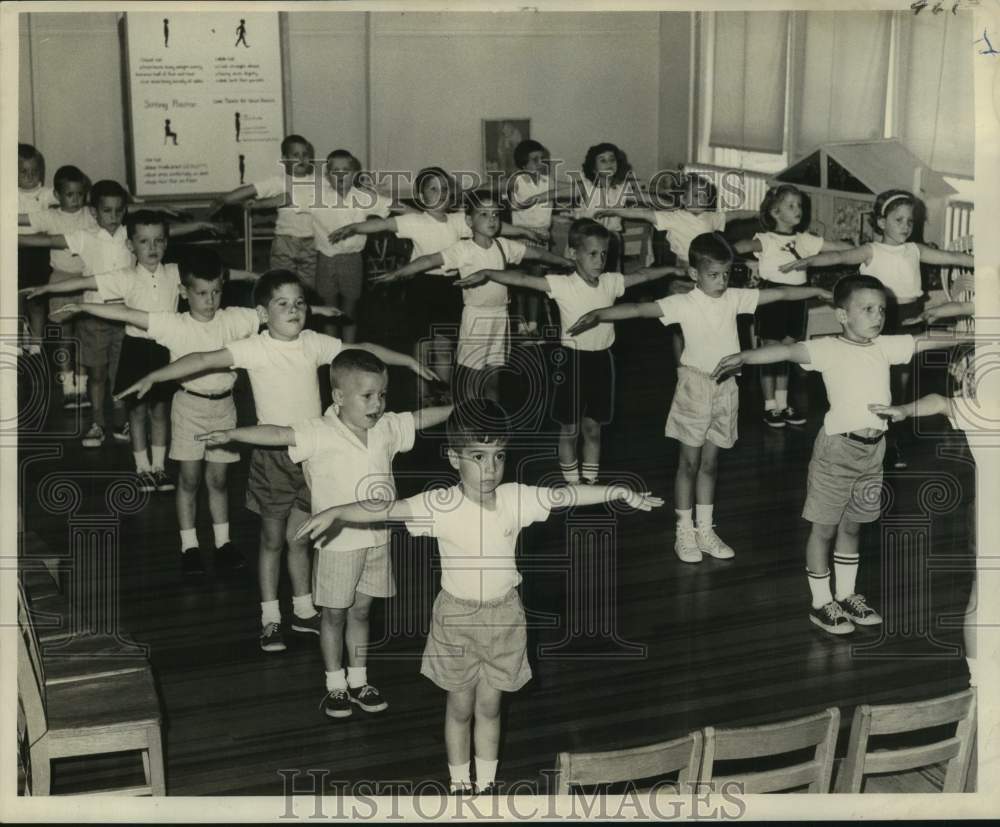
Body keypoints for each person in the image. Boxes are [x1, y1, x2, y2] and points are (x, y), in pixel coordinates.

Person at [295, 399, 663, 793]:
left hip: (504, 618)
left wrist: (619, 491)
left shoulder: (515, 498)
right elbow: (386, 507)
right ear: (454, 458)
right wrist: (336, 511)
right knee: (460, 708)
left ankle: (485, 786)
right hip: (455, 620)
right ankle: (458, 785)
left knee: (490, 708)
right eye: (478, 456)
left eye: (498, 456)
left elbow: (568, 496)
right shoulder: (441, 505)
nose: (490, 468)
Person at [115, 270, 438, 652]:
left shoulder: (313, 344)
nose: (295, 310)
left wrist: (406, 361)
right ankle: (270, 617)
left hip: (314, 457)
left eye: (300, 302)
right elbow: (203, 358)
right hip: (273, 457)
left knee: (300, 537)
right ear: (263, 313)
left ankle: (303, 611)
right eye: (283, 304)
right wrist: (156, 376)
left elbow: (361, 350)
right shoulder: (255, 347)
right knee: (272, 541)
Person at [197, 350, 453, 718]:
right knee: (333, 616)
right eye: (367, 396)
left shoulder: (385, 429)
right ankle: (335, 685)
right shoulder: (319, 432)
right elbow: (278, 432)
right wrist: (233, 433)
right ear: (338, 397)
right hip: (337, 545)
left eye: (381, 395)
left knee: (362, 612)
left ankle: (359, 679)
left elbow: (418, 418)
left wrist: (459, 409)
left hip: (378, 539)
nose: (377, 404)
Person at [712, 274, 972, 634]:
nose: (877, 316)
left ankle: (847, 594)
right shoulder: (828, 349)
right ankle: (821, 603)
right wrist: (743, 355)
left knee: (853, 525)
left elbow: (925, 340)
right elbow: (786, 351)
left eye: (880, 309)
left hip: (873, 452)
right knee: (824, 528)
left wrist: (974, 335)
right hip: (837, 451)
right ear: (841, 316)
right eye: (866, 309)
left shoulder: (884, 346)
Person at [568, 232, 831, 564]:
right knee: (689, 464)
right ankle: (684, 530)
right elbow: (638, 310)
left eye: (725, 274)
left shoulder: (734, 298)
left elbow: (778, 293)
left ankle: (705, 529)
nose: (721, 282)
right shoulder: (683, 303)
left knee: (710, 464)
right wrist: (598, 314)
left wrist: (817, 291)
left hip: (726, 388)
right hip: (694, 388)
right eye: (713, 275)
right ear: (694, 274)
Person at [55, 250, 266, 576]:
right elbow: (128, 313)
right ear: (183, 292)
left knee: (220, 480)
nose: (210, 301)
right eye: (201, 293)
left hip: (225, 407)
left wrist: (314, 310)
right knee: (190, 478)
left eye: (216, 292)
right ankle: (189, 546)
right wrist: (83, 306)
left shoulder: (234, 318)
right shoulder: (174, 324)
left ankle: (223, 544)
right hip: (188, 407)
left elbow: (273, 313)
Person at [455, 218, 684, 484]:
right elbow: (522, 278)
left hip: (602, 361)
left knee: (593, 428)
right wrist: (488, 273)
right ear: (574, 254)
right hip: (572, 363)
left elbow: (643, 275)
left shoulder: (611, 282)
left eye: (603, 254)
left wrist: (670, 269)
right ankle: (572, 483)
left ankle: (590, 480)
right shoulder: (563, 285)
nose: (599, 260)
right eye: (592, 254)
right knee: (570, 428)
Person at [23, 209, 221, 491]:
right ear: (130, 245)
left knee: (160, 411)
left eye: (158, 241)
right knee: (137, 412)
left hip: (166, 349)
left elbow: (214, 277)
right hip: (136, 349)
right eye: (144, 241)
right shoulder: (125, 276)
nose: (152, 248)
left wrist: (252, 276)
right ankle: (142, 469)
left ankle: (159, 468)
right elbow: (85, 282)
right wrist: (45, 288)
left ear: (166, 242)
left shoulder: (176, 272)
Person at [782, 189, 974, 468]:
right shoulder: (872, 249)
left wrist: (984, 262)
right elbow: (839, 257)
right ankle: (864, 434)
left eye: (910, 221)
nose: (906, 227)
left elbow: (950, 257)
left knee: (901, 382)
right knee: (874, 381)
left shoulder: (915, 249)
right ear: (881, 222)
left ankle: (891, 439)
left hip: (910, 315)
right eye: (899, 220)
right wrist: (809, 261)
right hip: (879, 318)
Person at [328, 167, 547, 398]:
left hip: (450, 287)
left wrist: (525, 231)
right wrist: (352, 228)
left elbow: (498, 227)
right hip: (421, 287)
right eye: (433, 189)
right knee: (422, 345)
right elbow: (382, 225)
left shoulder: (458, 220)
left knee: (445, 346)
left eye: (444, 188)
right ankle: (423, 394)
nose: (440, 193)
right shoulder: (414, 220)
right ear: (422, 197)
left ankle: (444, 395)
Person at [372, 191, 570, 402]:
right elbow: (429, 260)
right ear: (469, 221)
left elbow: (537, 254)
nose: (492, 219)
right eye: (483, 214)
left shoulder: (504, 245)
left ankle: (490, 422)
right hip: (475, 318)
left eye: (495, 214)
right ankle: (468, 422)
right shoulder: (463, 249)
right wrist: (398, 273)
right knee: (472, 378)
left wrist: (565, 262)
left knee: (493, 376)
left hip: (500, 317)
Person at [598, 172, 757, 366]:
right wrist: (614, 211)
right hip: (684, 276)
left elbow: (736, 215)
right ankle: (681, 367)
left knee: (707, 325)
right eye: (697, 195)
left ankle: (707, 362)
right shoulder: (674, 217)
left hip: (708, 279)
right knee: (681, 328)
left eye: (705, 196)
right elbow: (642, 214)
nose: (702, 199)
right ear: (683, 198)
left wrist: (759, 213)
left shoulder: (711, 217)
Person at [732, 184, 854, 428]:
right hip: (772, 298)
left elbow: (840, 248)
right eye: (791, 205)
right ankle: (769, 406)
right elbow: (739, 247)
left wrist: (863, 249)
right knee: (770, 350)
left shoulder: (805, 240)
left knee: (788, 349)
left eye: (799, 205)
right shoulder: (766, 239)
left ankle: (783, 403)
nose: (798, 209)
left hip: (798, 298)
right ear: (776, 213)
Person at [41, 180, 134, 446]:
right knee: (97, 374)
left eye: (119, 210)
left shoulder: (130, 234)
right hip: (94, 318)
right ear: (94, 211)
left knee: (121, 375)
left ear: (125, 210)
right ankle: (96, 423)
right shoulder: (86, 236)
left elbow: (165, 232)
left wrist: (201, 224)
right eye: (107, 211)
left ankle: (120, 421)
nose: (114, 217)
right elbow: (46, 240)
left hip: (126, 316)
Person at [24, 165, 96, 409]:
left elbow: (122, 213)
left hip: (87, 279)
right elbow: (21, 219)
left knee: (85, 336)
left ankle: (83, 387)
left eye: (80, 194)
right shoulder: (51, 216)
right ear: (58, 194)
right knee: (65, 336)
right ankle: (68, 387)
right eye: (69, 195)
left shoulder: (90, 214)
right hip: (61, 281)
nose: (76, 200)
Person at [208, 134, 319, 288]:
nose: (301, 158)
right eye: (296, 155)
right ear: (285, 158)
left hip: (310, 242)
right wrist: (225, 199)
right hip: (285, 241)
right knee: (281, 282)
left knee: (308, 285)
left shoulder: (318, 182)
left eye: (305, 154)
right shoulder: (279, 181)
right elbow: (251, 189)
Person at [308, 149, 394, 342]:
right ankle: (332, 351)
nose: (340, 175)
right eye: (334, 170)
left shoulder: (364, 197)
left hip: (352, 260)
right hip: (325, 259)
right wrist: (254, 203)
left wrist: (424, 217)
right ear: (327, 175)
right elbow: (286, 199)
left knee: (350, 308)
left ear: (354, 174)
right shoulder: (317, 196)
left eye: (345, 170)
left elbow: (394, 206)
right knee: (328, 309)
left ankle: (349, 347)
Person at [17, 143, 57, 354]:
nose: (30, 176)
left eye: (34, 171)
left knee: (37, 300)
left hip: (39, 253)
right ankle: (15, 341)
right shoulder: (8, 193)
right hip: (15, 252)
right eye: (23, 172)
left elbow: (69, 193)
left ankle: (36, 342)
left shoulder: (45, 193)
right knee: (15, 299)